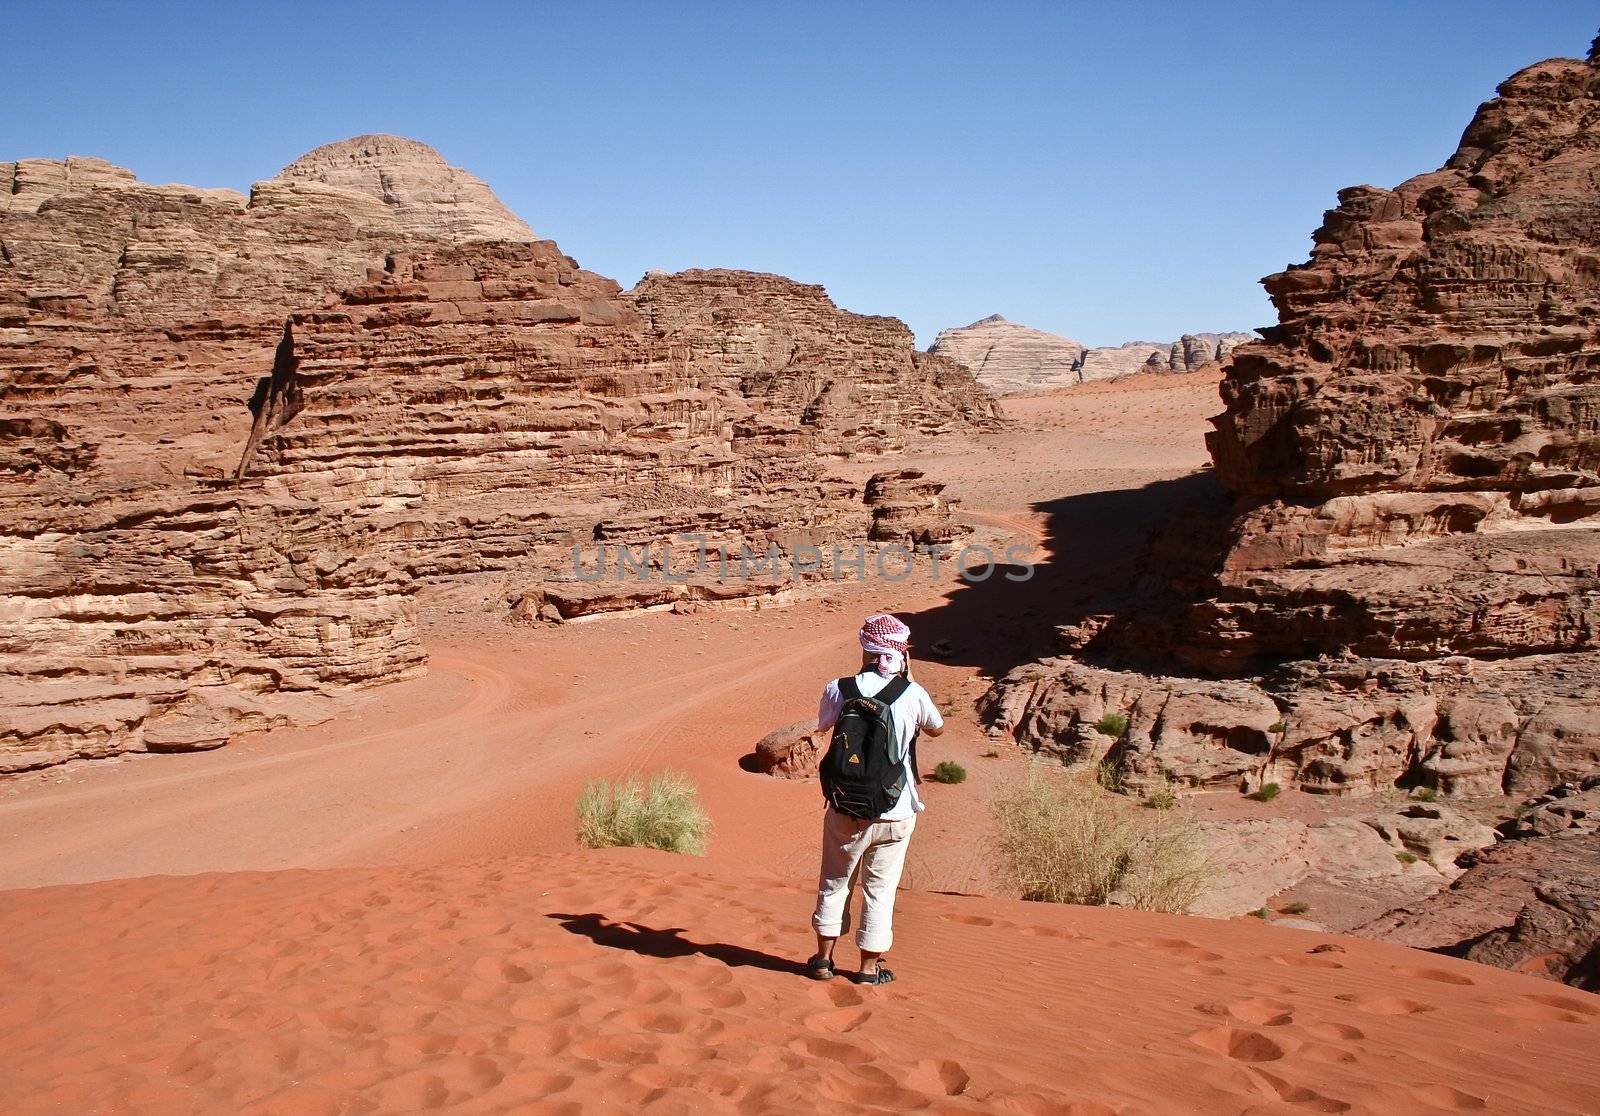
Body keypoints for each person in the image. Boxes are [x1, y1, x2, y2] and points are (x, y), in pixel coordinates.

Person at [806, 613, 944, 985]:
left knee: (834, 882)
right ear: (902, 652)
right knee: (879, 891)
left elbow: (822, 725)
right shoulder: (913, 694)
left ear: (864, 647)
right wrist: (909, 681)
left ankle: (822, 961)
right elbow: (936, 728)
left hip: (844, 806)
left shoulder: (839, 687)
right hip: (895, 809)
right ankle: (868, 970)